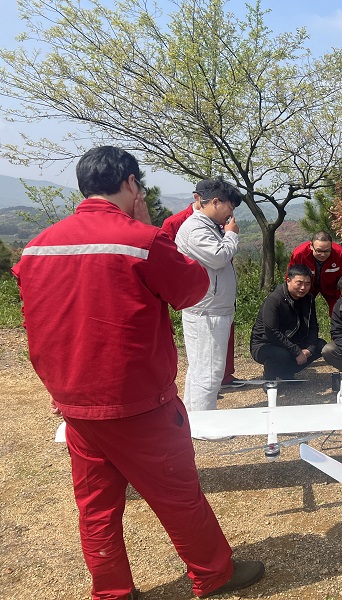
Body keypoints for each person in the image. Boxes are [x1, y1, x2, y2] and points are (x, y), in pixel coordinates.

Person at [12, 146, 263, 599]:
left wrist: (58, 388)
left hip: (77, 404)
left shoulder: (37, 246)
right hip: (138, 400)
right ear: (131, 183)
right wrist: (151, 230)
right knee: (177, 495)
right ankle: (213, 574)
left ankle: (112, 591)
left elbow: (38, 323)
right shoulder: (140, 240)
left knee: (96, 508)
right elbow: (191, 289)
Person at [175, 179, 242, 413]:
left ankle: (193, 419)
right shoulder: (195, 228)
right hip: (207, 312)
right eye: (230, 207)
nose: (231, 214)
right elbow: (218, 257)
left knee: (201, 369)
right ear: (215, 202)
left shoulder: (207, 226)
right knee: (210, 373)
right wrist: (231, 235)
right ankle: (204, 424)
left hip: (210, 309)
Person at [250, 264, 327, 380]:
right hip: (265, 343)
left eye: (307, 284)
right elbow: (271, 331)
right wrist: (296, 351)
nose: (303, 288)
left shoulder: (309, 299)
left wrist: (309, 349)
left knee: (320, 345)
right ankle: (269, 379)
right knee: (281, 354)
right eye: (299, 283)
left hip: (292, 341)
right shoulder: (275, 299)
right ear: (288, 281)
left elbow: (313, 326)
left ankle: (286, 373)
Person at [288, 231, 342, 314]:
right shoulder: (299, 254)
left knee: (341, 310)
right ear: (311, 246)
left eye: (327, 251)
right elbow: (291, 277)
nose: (322, 255)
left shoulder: (339, 253)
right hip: (306, 286)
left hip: (332, 286)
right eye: (319, 251)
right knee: (300, 310)